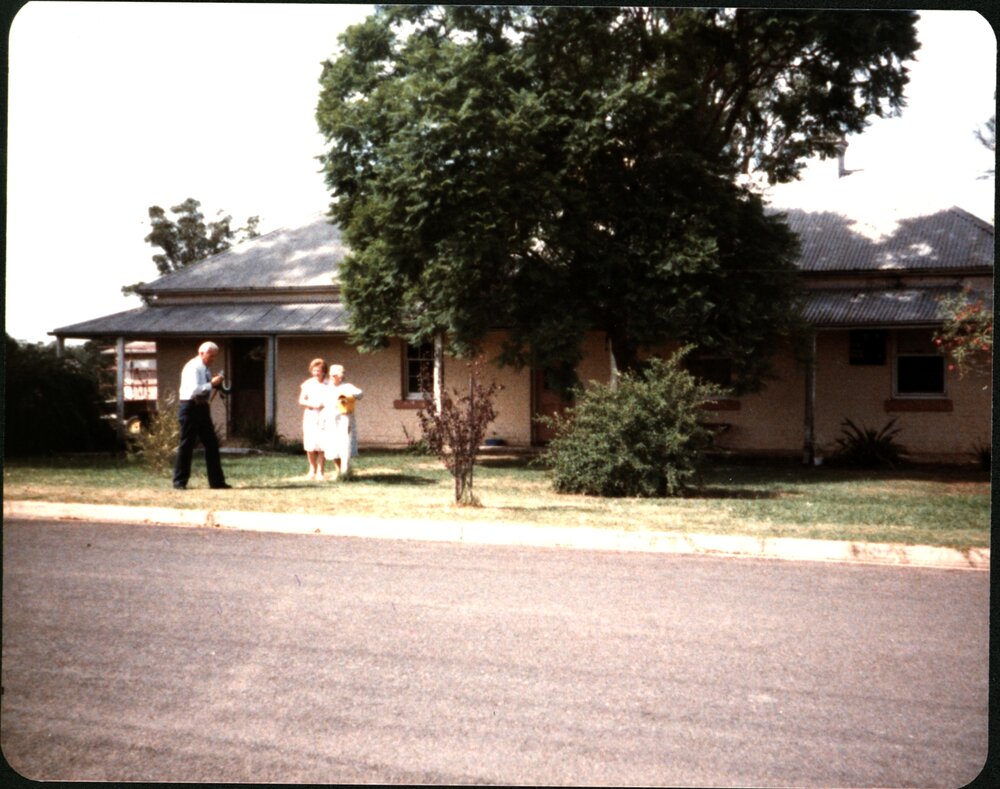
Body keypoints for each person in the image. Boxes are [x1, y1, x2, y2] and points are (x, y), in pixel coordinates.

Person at [172, 341, 231, 490]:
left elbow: (205, 387)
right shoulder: (193, 367)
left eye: (215, 356)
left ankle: (217, 482)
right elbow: (194, 390)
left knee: (212, 444)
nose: (213, 359)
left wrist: (215, 384)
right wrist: (211, 384)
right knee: (187, 444)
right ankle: (179, 482)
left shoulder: (205, 368)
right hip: (190, 407)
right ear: (201, 353)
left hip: (202, 407)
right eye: (210, 356)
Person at [323, 364, 363, 477]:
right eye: (331, 375)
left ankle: (346, 471)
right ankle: (338, 471)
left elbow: (360, 394)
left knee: (344, 444)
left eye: (335, 375)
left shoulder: (347, 386)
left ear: (340, 376)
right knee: (333, 444)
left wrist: (350, 395)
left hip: (344, 419)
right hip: (331, 419)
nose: (332, 377)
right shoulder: (327, 387)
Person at [298, 358, 329, 480]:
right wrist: (313, 404)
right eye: (314, 370)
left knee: (322, 444)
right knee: (310, 444)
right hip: (310, 415)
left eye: (319, 371)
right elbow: (301, 400)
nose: (316, 373)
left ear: (324, 371)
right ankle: (312, 469)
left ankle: (321, 471)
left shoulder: (329, 384)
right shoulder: (308, 384)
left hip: (324, 416)